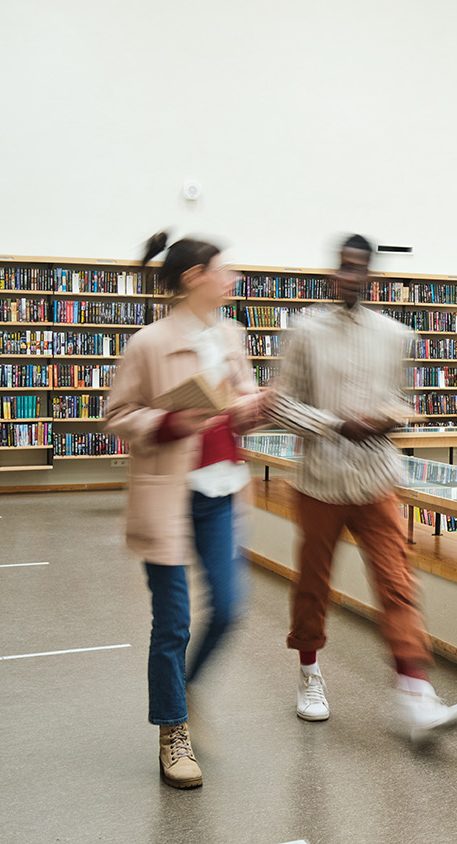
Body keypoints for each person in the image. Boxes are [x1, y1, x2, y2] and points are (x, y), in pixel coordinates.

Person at [270, 234, 457, 742]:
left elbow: (404, 401)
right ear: (333, 273)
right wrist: (335, 424)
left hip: (377, 478)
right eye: (342, 267)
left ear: (371, 276)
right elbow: (280, 404)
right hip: (320, 481)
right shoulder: (305, 332)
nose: (349, 276)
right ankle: (309, 673)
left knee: (396, 583)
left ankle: (416, 693)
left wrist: (385, 417)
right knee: (313, 582)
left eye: (358, 268)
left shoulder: (392, 334)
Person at [104, 231, 270, 789]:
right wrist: (167, 422)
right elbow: (118, 414)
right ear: (195, 277)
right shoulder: (148, 343)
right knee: (172, 623)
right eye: (223, 271)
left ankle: (187, 689)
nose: (233, 280)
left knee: (228, 608)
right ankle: (172, 731)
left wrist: (256, 409)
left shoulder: (232, 333)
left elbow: (239, 398)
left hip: (220, 492)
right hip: (168, 499)